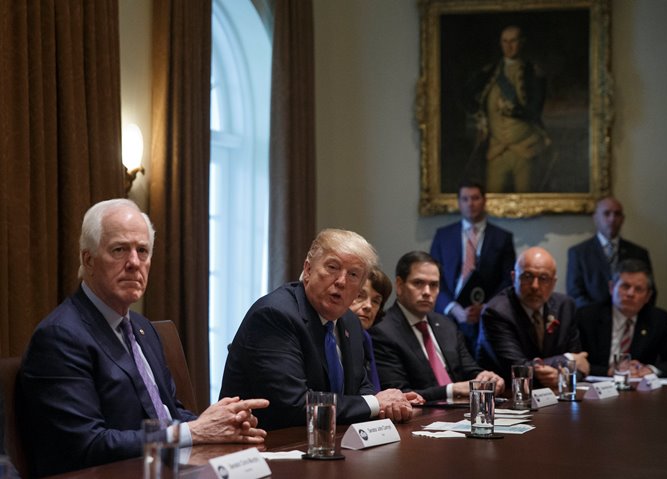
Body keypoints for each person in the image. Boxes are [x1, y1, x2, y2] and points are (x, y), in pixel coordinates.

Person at [18, 199, 268, 477]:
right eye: (119, 250)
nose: (134, 263)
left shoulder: (142, 327)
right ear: (88, 260)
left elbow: (169, 412)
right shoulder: (60, 336)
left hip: (166, 469)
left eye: (143, 251)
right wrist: (193, 431)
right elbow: (86, 446)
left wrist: (221, 424)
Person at [220, 229, 418, 430]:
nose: (341, 281)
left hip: (330, 438)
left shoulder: (350, 321)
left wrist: (386, 405)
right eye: (332, 267)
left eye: (353, 274)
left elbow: (360, 386)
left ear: (359, 288)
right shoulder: (274, 315)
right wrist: (376, 403)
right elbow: (294, 405)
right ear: (308, 270)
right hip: (268, 441)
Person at [370, 251, 504, 402]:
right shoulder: (382, 330)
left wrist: (485, 377)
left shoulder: (446, 325)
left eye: (433, 285)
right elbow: (399, 393)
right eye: (418, 283)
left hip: (461, 410)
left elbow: (469, 369)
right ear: (400, 285)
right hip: (421, 414)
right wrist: (451, 390)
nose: (427, 292)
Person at [477, 247, 589, 387]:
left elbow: (581, 365)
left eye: (543, 278)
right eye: (527, 276)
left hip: (553, 395)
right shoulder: (496, 312)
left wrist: (562, 377)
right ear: (514, 277)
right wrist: (567, 359)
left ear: (553, 283)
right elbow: (518, 369)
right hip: (509, 394)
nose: (535, 286)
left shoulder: (565, 306)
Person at [430, 180, 515, 353]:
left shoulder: (502, 237)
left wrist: (485, 308)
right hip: (450, 316)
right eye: (465, 199)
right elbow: (433, 277)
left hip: (487, 317)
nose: (470, 203)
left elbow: (508, 280)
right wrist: (454, 309)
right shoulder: (443, 235)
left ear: (484, 201)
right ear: (459, 202)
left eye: (475, 198)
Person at [466, 25, 549, 193]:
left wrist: (514, 111)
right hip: (495, 150)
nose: (508, 46)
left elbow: (535, 110)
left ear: (522, 43)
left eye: (513, 41)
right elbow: (465, 95)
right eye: (504, 41)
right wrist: (478, 115)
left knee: (527, 199)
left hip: (525, 149)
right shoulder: (489, 72)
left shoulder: (533, 73)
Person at [577, 259, 667, 377]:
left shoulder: (659, 320)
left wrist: (650, 370)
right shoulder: (587, 317)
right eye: (625, 286)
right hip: (597, 384)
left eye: (638, 289)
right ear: (612, 288)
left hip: (640, 385)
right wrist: (607, 371)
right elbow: (575, 361)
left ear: (648, 296)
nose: (630, 293)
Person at [567, 196, 653, 308]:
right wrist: (598, 315)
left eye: (617, 214)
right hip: (591, 316)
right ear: (595, 218)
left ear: (623, 219)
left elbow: (649, 291)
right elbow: (575, 294)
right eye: (606, 214)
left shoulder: (639, 253)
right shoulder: (578, 253)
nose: (612, 219)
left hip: (631, 315)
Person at [349, 267, 393, 393]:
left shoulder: (366, 337)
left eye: (376, 301)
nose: (368, 306)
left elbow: (374, 391)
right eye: (359, 296)